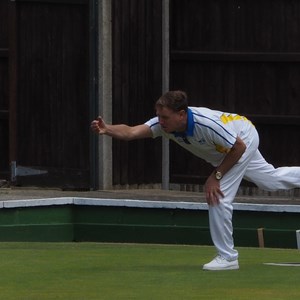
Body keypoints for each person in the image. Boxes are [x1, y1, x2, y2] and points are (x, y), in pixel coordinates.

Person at [91, 90, 300, 271]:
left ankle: (228, 258)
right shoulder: (164, 126)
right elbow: (131, 132)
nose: (160, 122)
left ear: (181, 115)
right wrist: (107, 128)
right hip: (226, 149)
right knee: (270, 181)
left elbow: (239, 148)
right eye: (158, 116)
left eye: (164, 117)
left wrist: (215, 177)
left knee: (218, 196)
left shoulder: (206, 124)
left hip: (241, 140)